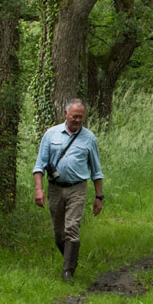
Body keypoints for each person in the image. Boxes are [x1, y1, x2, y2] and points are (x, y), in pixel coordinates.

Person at [33, 98, 104, 282]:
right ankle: (71, 259)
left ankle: (67, 272)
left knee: (72, 227)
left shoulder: (89, 138)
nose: (77, 120)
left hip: (77, 188)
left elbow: (96, 171)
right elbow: (39, 166)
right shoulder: (51, 134)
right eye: (74, 116)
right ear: (66, 114)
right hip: (55, 188)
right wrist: (38, 190)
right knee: (59, 232)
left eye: (81, 117)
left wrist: (99, 197)